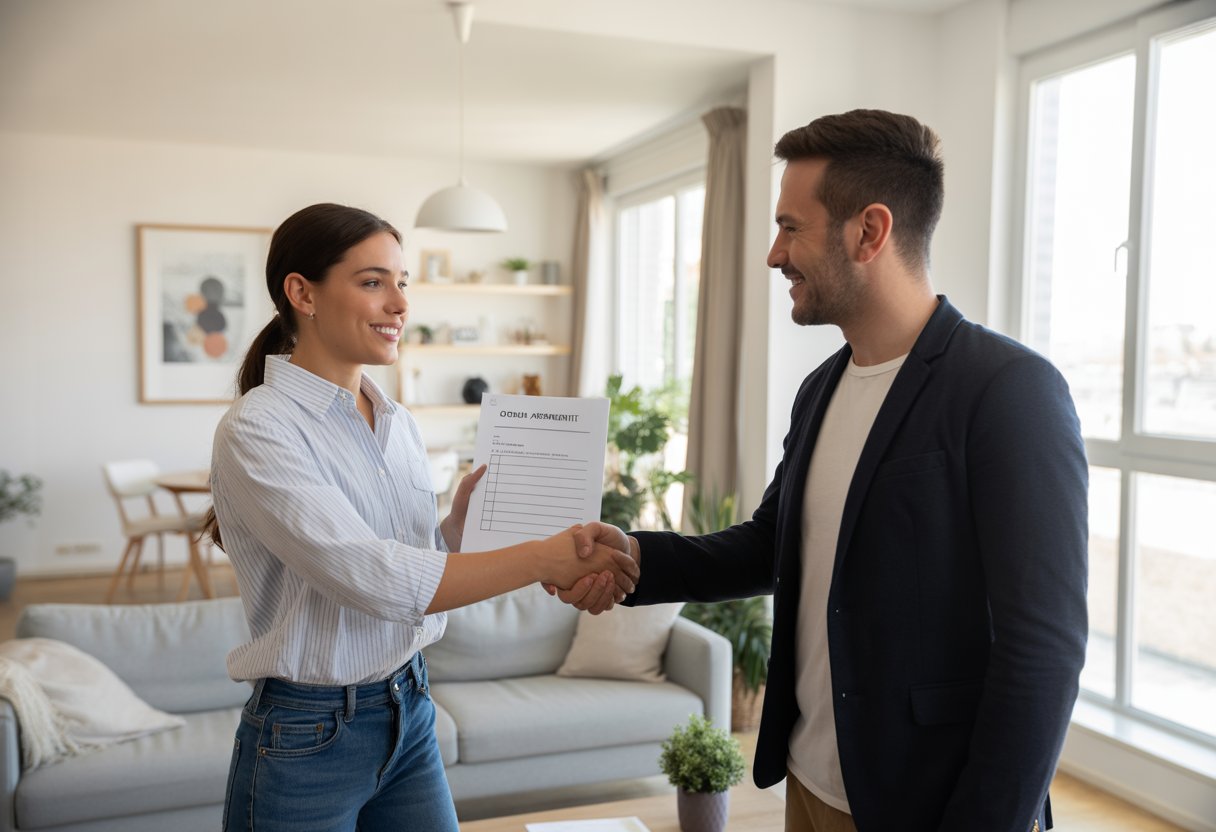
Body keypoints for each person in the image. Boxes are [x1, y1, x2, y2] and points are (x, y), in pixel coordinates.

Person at [559, 110, 1088, 832]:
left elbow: (1044, 650)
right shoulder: (823, 388)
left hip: (926, 802)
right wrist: (635, 557)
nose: (775, 255)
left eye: (790, 227)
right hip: (811, 781)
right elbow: (773, 544)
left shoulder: (1008, 390)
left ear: (868, 232)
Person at [203, 203, 638, 832]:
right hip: (306, 738)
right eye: (373, 282)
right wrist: (549, 557)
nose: (401, 305)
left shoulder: (397, 422)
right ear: (302, 293)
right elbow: (375, 579)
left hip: (410, 709)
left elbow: (408, 562)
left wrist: (453, 532)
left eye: (403, 283)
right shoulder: (258, 427)